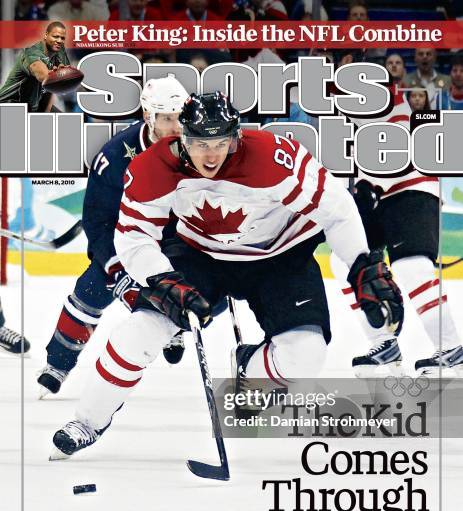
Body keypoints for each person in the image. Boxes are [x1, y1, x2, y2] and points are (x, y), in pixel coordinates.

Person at [48, 91, 403, 459]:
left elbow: (337, 208)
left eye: (220, 142)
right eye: (201, 143)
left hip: (280, 258)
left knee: (305, 357)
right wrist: (159, 278)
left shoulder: (273, 156)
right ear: (182, 138)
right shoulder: (153, 166)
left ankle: (248, 367)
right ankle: (87, 422)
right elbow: (134, 234)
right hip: (199, 256)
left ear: (236, 136)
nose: (212, 154)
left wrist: (361, 263)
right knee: (138, 332)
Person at [37, 75, 189, 397]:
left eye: (179, 116)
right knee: (90, 291)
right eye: (166, 118)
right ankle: (58, 363)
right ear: (149, 116)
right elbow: (97, 220)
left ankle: (172, 325)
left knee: (180, 292)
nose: (175, 126)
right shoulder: (115, 156)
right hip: (129, 239)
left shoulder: (200, 148)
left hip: (177, 243)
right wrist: (115, 267)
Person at [330, 86, 463, 376]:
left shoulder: (379, 91)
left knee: (412, 265)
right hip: (374, 192)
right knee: (342, 261)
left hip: (409, 186)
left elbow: (398, 133)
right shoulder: (333, 102)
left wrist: (367, 185)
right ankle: (383, 344)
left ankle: (452, 348)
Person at [0, 21, 70, 112]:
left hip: (32, 107)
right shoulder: (31, 53)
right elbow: (43, 75)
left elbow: (51, 88)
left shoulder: (58, 51)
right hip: (9, 106)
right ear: (46, 35)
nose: (59, 40)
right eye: (55, 36)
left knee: (65, 122)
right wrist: (56, 76)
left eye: (62, 38)